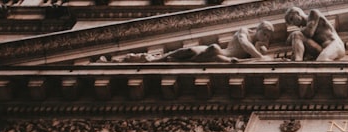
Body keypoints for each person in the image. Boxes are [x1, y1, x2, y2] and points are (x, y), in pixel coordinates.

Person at [108, 21, 275, 63]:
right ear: (259, 29)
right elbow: (245, 44)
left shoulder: (259, 45)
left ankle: (166, 60)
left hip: (220, 57)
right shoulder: (244, 31)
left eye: (268, 36)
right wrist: (260, 57)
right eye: (265, 34)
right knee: (188, 52)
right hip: (216, 51)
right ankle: (153, 59)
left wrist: (263, 52)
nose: (266, 38)